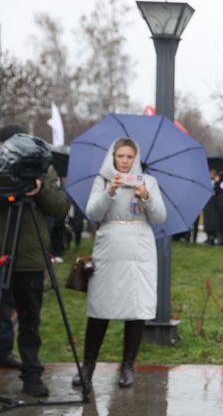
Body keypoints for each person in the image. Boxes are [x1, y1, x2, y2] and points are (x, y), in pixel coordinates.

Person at [73, 138, 166, 389]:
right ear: (112, 157)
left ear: (136, 158)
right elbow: (92, 213)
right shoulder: (102, 181)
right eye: (120, 156)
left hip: (140, 249)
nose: (125, 161)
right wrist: (110, 191)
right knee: (100, 305)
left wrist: (146, 198)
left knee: (136, 306)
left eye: (129, 157)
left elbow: (159, 217)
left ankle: (128, 364)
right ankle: (88, 364)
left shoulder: (148, 182)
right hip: (109, 246)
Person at [0, 127, 69, 395]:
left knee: (30, 317)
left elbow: (61, 208)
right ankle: (4, 353)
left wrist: (40, 189)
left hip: (29, 256)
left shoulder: (42, 169)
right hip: (2, 252)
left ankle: (31, 374)